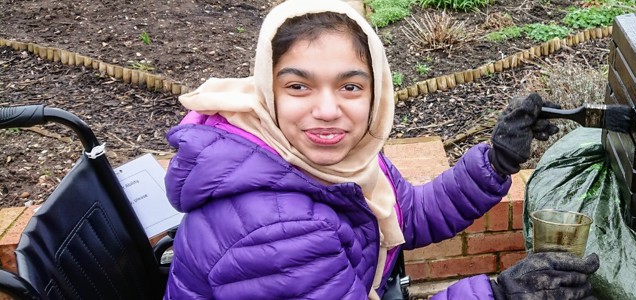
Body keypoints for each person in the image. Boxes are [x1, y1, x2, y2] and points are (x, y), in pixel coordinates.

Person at [162, 0, 600, 299]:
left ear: (377, 92)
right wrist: (499, 294)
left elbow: (410, 214)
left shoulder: (333, 163)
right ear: (266, 91)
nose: (328, 111)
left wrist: (497, 159)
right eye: (299, 86)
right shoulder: (276, 227)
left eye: (350, 86)